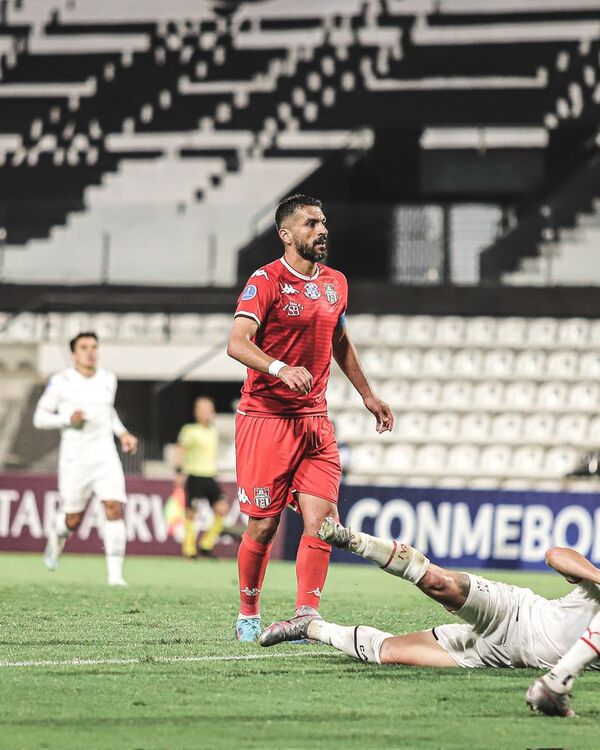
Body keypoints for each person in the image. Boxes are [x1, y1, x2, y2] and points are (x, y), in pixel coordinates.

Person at [226, 193, 394, 641]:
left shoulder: (336, 282)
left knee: (324, 522)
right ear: (286, 234)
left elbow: (340, 340)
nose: (321, 230)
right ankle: (248, 611)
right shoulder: (266, 282)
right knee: (263, 527)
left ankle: (306, 614)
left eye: (323, 222)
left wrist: (367, 394)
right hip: (266, 420)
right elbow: (237, 342)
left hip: (315, 423)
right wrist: (280, 369)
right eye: (310, 224)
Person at [260, 517, 600, 718]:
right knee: (437, 581)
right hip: (515, 614)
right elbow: (556, 555)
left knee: (389, 653)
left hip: (494, 657)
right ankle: (352, 539)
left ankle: (311, 626)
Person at [33, 332, 137, 586]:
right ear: (73, 354)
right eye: (84, 347)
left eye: (93, 347)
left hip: (104, 453)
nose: (90, 351)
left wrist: (122, 432)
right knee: (73, 520)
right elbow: (39, 418)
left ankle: (115, 576)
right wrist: (66, 419)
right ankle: (57, 537)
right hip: (75, 457)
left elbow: (107, 411)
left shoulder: (108, 379)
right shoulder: (61, 381)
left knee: (114, 506)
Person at [174, 396, 229, 559]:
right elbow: (180, 450)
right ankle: (189, 551)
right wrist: (178, 471)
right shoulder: (189, 430)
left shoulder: (213, 431)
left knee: (222, 509)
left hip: (210, 475)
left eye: (209, 410)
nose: (206, 413)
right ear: (196, 412)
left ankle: (206, 545)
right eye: (202, 410)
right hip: (194, 475)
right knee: (192, 513)